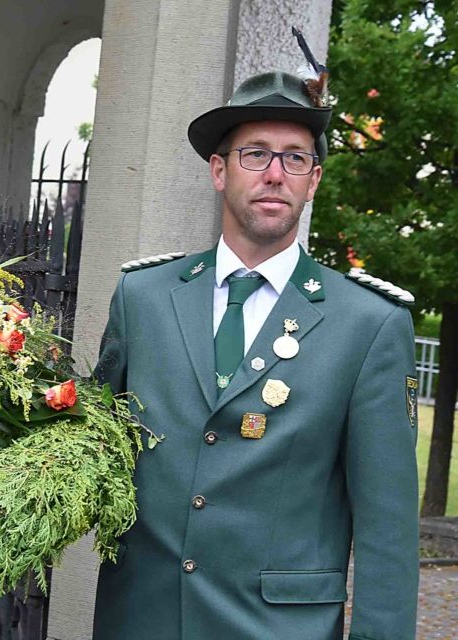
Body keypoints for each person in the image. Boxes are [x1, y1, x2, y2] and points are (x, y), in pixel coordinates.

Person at [93, 70, 419, 639]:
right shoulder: (142, 298)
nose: (275, 174)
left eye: (295, 159)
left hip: (277, 626)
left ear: (313, 181)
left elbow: (386, 527)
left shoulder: (369, 324)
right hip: (142, 618)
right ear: (219, 171)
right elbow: (88, 448)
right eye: (255, 154)